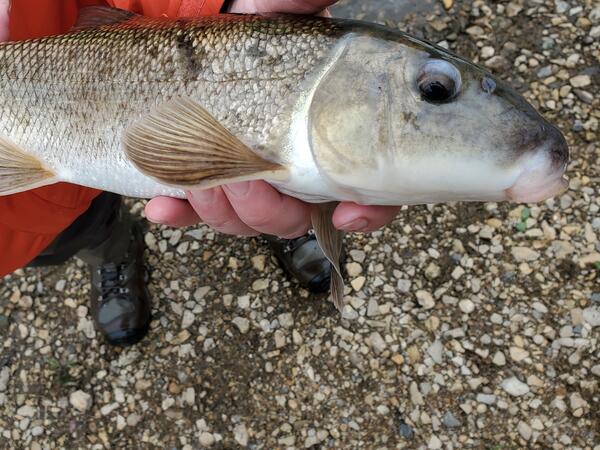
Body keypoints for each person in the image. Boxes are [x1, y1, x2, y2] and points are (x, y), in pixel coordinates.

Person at [0, 0, 400, 346]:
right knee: (82, 236)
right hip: (22, 223)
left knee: (264, 187)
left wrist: (210, 7)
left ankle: (291, 218)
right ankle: (116, 255)